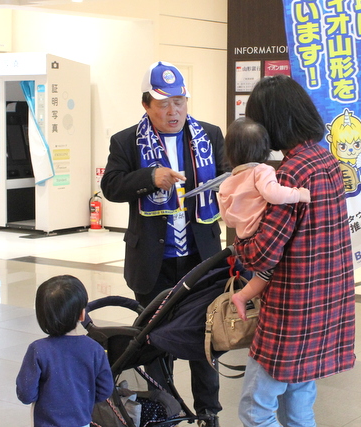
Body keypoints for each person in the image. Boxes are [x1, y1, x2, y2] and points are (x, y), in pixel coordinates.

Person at [100, 61, 227, 426]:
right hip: (153, 262)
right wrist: (148, 178)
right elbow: (111, 186)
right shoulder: (125, 141)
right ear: (146, 105)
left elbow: (227, 177)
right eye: (164, 104)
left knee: (206, 339)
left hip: (200, 259)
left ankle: (208, 412)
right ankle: (164, 408)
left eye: (180, 101)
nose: (174, 111)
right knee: (154, 341)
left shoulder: (209, 135)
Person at [233, 75, 356, 427]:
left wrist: (239, 237)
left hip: (292, 310)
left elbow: (262, 254)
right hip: (324, 303)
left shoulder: (291, 172)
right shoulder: (325, 160)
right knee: (299, 409)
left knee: (256, 411)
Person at [216, 117, 311, 321]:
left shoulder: (226, 183)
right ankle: (242, 297)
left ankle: (247, 298)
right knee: (270, 273)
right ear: (265, 150)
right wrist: (299, 194)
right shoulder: (262, 170)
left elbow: (228, 219)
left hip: (242, 241)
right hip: (261, 238)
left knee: (262, 274)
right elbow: (274, 194)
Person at [16, 275, 113, 427]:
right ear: (82, 315)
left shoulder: (38, 350)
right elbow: (105, 389)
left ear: (41, 316)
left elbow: (26, 393)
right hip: (81, 421)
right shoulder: (95, 349)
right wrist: (83, 399)